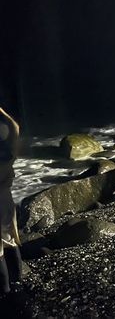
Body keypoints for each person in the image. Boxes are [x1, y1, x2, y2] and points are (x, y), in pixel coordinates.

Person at [0, 107, 22, 294]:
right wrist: (2, 111)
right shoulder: (8, 154)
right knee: (10, 240)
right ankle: (18, 282)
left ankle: (5, 291)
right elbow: (15, 128)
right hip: (6, 200)